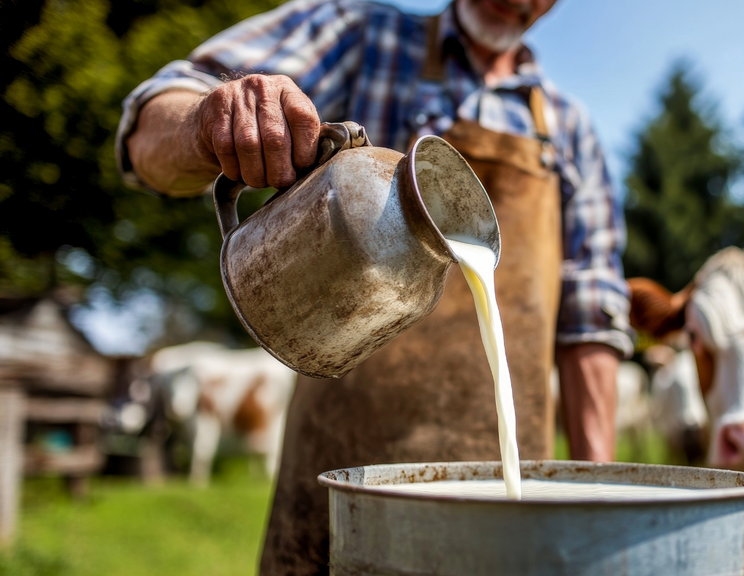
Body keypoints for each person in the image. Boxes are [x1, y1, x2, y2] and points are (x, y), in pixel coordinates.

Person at [117, 0, 633, 572]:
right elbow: (147, 129)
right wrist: (206, 120)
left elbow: (591, 322)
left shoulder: (567, 130)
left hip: (504, 511)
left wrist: (602, 508)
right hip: (340, 499)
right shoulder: (362, 33)